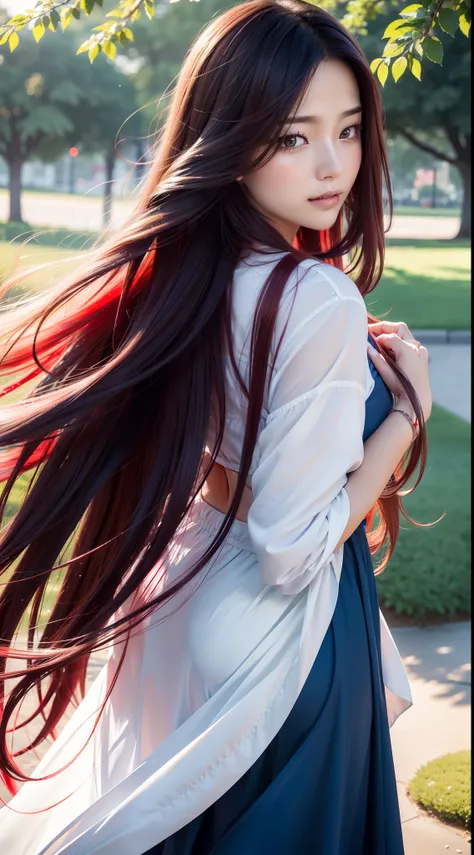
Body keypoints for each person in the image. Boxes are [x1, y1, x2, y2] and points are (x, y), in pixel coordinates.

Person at [0, 1, 433, 852]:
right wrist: (405, 420)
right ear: (229, 138)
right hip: (287, 637)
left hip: (188, 600)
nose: (332, 164)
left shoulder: (185, 278)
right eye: (292, 136)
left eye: (348, 131)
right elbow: (292, 546)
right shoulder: (313, 297)